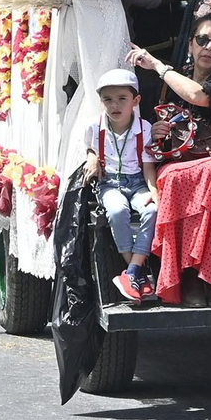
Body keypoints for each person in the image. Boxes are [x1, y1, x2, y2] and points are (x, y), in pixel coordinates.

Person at [128, 0, 211, 308]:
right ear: (191, 45)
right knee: (171, 178)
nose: (208, 47)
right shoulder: (168, 83)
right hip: (178, 168)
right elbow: (159, 143)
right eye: (202, 40)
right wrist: (159, 133)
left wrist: (156, 65)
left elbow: (198, 96)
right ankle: (190, 279)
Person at [84, 69, 159, 304]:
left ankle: (133, 271)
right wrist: (91, 155)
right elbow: (90, 150)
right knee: (117, 211)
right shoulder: (94, 128)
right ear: (101, 102)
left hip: (137, 182)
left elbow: (148, 167)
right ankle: (134, 269)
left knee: (152, 210)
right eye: (108, 99)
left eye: (122, 98)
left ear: (135, 101)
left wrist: (153, 191)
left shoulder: (144, 128)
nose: (115, 105)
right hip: (110, 184)